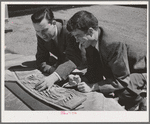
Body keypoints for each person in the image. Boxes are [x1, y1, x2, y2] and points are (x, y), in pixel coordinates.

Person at [66, 10, 147, 111]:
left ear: (90, 31)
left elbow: (122, 80)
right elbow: (94, 72)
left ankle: (140, 99)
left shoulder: (112, 43)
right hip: (125, 71)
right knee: (107, 86)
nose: (76, 40)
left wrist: (93, 87)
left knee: (123, 91)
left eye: (78, 35)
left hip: (141, 71)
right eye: (74, 36)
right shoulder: (89, 41)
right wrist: (82, 80)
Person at [31, 8, 85, 91]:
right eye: (37, 31)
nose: (42, 35)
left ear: (53, 23)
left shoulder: (69, 31)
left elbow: (73, 60)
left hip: (85, 66)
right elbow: (41, 59)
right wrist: (52, 70)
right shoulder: (41, 33)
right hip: (63, 66)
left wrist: (53, 78)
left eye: (45, 30)